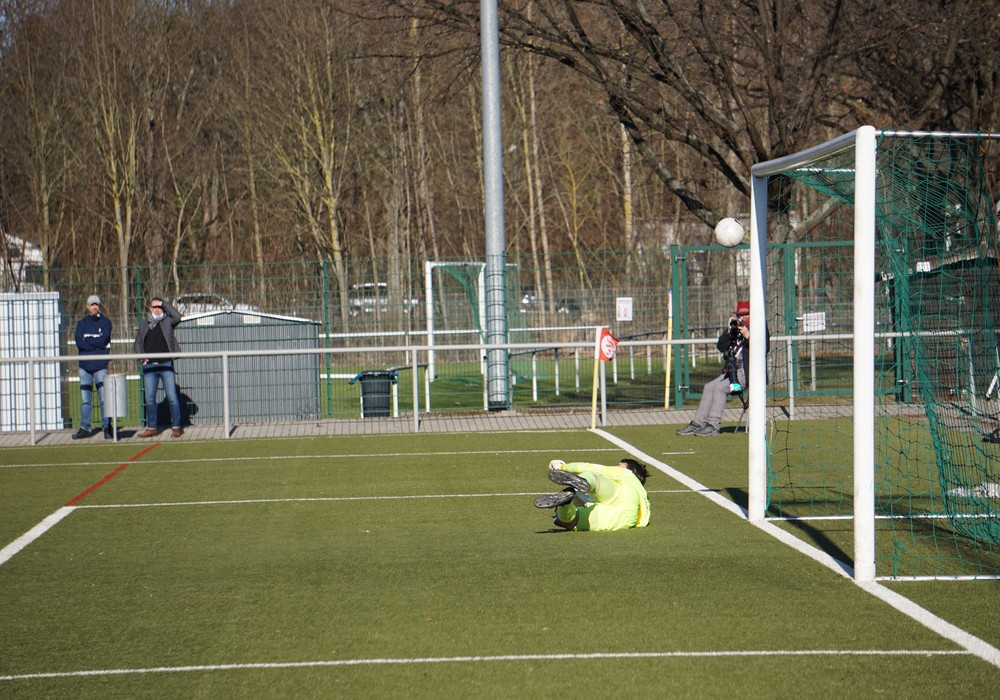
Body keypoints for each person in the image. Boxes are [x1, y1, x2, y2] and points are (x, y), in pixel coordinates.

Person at [676, 300, 756, 437]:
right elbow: (721, 346)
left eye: (745, 316)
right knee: (709, 387)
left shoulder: (758, 328)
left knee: (720, 388)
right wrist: (729, 331)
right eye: (739, 316)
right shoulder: (735, 331)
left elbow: (764, 348)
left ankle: (713, 425)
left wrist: (748, 336)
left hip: (748, 373)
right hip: (732, 371)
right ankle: (698, 423)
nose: (742, 319)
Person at [533, 458, 650, 531]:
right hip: (626, 520)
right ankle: (566, 503)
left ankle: (584, 481)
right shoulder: (643, 495)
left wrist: (562, 467)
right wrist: (586, 500)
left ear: (629, 469)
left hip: (624, 494)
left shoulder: (625, 474)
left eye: (619, 465)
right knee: (565, 521)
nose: (615, 467)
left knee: (594, 477)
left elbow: (591, 467)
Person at [134, 296, 183, 438]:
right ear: (150, 309)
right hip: (150, 367)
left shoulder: (168, 321)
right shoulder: (145, 324)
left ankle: (176, 426)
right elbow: (137, 343)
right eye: (154, 307)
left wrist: (164, 304)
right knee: (150, 398)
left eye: (159, 307)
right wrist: (142, 358)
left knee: (172, 397)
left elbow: (177, 316)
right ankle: (152, 427)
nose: (157, 309)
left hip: (166, 364)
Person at [73, 295, 114, 440]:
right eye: (91, 305)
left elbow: (104, 340)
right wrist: (95, 342)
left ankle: (107, 427)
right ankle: (85, 428)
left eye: (96, 304)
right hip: (84, 367)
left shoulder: (106, 323)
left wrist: (88, 340)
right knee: (85, 400)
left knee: (104, 399)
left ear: (99, 306)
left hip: (100, 366)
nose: (94, 307)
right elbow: (79, 342)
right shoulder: (82, 323)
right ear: (87, 306)